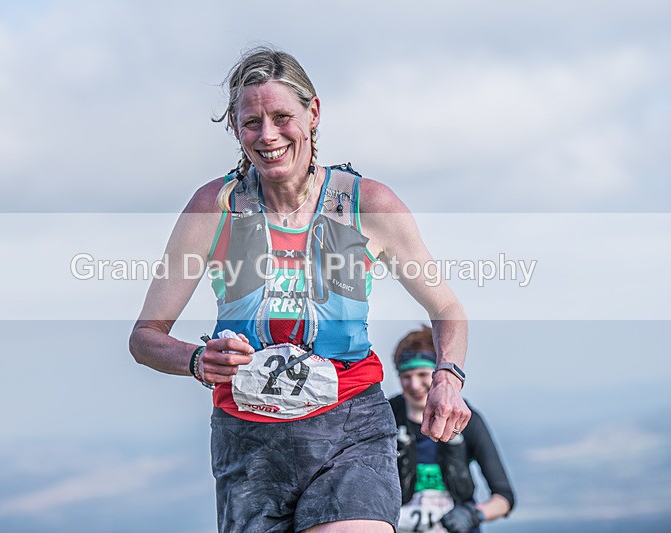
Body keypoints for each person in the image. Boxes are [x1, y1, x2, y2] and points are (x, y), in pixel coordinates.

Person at [129, 46, 469, 533]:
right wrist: (197, 360)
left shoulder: (366, 204)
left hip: (351, 427)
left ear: (313, 114)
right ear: (235, 129)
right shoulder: (213, 208)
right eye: (251, 122)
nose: (267, 135)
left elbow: (446, 307)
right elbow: (145, 337)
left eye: (282, 117)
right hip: (249, 442)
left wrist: (448, 376)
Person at [389, 326, 515, 533]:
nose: (415, 384)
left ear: (439, 375)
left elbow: (504, 498)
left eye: (423, 374)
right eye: (406, 376)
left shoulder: (466, 419)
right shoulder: (386, 418)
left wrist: (473, 515)